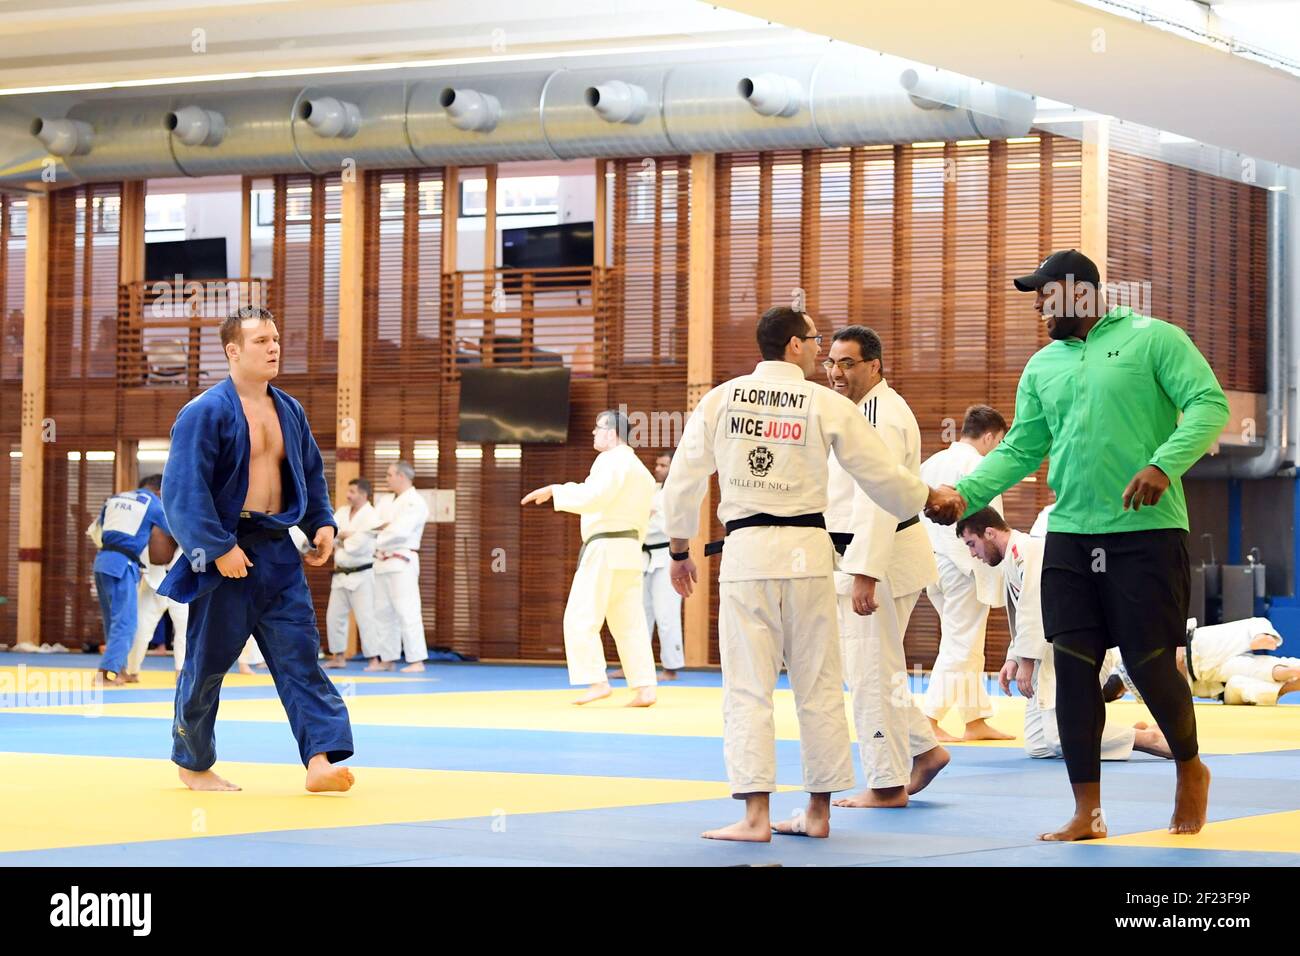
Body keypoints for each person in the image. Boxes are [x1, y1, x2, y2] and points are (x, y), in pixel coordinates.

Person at [928, 249, 1228, 839]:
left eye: (1045, 296)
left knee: (1148, 664)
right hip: (1069, 534)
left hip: (1145, 531)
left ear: (1080, 292)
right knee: (1072, 669)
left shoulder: (1154, 339)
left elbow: (1209, 405)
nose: (1039, 308)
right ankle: (1087, 812)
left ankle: (1190, 768)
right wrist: (964, 495)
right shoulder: (1043, 366)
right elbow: (1020, 449)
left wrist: (1164, 465)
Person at [662, 306, 946, 842]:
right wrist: (928, 495)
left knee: (748, 688)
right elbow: (881, 476)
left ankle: (755, 818)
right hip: (809, 552)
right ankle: (818, 812)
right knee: (818, 687)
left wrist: (679, 550)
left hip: (748, 554)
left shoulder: (721, 398)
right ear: (793, 345)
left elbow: (682, 482)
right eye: (815, 340)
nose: (821, 351)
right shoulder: (825, 403)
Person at [159, 306, 354, 794]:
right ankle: (194, 763)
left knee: (301, 659)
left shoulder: (289, 409)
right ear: (233, 350)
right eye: (261, 341)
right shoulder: (204, 412)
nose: (273, 348)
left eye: (276, 339)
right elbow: (183, 492)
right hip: (226, 553)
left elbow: (309, 472)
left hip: (278, 552)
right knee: (206, 666)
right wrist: (216, 547)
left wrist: (321, 521)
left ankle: (320, 760)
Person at [822, 325, 949, 809]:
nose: (835, 372)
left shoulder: (880, 415)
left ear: (875, 365)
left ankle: (886, 785)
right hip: (865, 553)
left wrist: (864, 572)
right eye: (832, 362)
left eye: (847, 363)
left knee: (871, 672)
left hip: (879, 556)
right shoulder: (857, 410)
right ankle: (925, 749)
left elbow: (879, 499)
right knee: (876, 668)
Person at [957, 506, 1172, 762]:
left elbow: (1036, 608)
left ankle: (1149, 739)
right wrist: (1013, 658)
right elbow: (1023, 614)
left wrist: (1025, 661)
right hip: (1051, 654)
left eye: (972, 544)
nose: (973, 554)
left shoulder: (1029, 550)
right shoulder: (1013, 560)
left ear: (989, 533)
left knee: (1061, 737)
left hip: (1077, 651)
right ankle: (1120, 734)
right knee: (1039, 745)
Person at [521, 410, 659, 707]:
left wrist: (554, 490)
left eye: (598, 429)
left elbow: (594, 496)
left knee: (580, 616)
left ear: (611, 433)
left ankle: (597, 680)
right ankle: (645, 687)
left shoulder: (611, 460)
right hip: (631, 550)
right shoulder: (641, 470)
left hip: (605, 548)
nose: (594, 434)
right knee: (630, 621)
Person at [918, 404, 1012, 742]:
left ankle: (975, 720)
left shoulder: (931, 463)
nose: (1000, 449)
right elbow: (991, 523)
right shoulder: (980, 465)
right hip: (964, 563)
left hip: (931, 562)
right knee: (961, 642)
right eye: (1000, 441)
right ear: (990, 436)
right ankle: (929, 718)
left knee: (966, 641)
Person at [90, 474, 171, 686]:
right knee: (126, 622)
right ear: (159, 492)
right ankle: (106, 673)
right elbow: (173, 529)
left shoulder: (114, 499)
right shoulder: (152, 503)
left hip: (101, 562)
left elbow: (98, 529)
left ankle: (120, 670)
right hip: (122, 565)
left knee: (113, 621)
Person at [1111, 617, 1300, 706]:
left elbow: (1179, 689)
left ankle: (1284, 671)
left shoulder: (1143, 696)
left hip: (1202, 670)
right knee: (1253, 629)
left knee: (1250, 674)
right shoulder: (1125, 652)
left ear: (1120, 694)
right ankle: (1283, 666)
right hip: (1201, 653)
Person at [124, 489, 188, 681]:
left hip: (181, 581)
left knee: (185, 631)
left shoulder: (185, 513)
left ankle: (182, 673)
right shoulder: (144, 517)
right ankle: (132, 671)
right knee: (141, 630)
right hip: (152, 581)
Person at [373, 461, 430, 673]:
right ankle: (388, 658)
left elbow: (400, 532)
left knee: (407, 610)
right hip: (380, 561)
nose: (387, 479)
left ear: (402, 477)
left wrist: (380, 532)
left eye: (389, 475)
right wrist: (380, 530)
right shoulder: (385, 500)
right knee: (382, 612)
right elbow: (373, 524)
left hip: (402, 560)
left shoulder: (415, 502)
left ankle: (416, 660)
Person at [325, 477, 385, 671]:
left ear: (363, 494)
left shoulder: (371, 515)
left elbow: (360, 545)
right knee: (334, 617)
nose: (348, 495)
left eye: (352, 492)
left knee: (366, 618)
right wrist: (346, 535)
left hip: (363, 574)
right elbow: (331, 534)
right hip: (341, 573)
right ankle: (338, 656)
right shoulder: (342, 512)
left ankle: (374, 659)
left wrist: (343, 538)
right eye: (348, 491)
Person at [642, 451, 684, 680]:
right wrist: (645, 516)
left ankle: (671, 667)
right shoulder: (651, 491)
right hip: (644, 557)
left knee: (666, 614)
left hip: (667, 556)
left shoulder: (676, 493)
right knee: (641, 614)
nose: (657, 468)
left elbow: (666, 525)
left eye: (663, 465)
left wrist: (646, 517)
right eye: (656, 464)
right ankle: (639, 668)